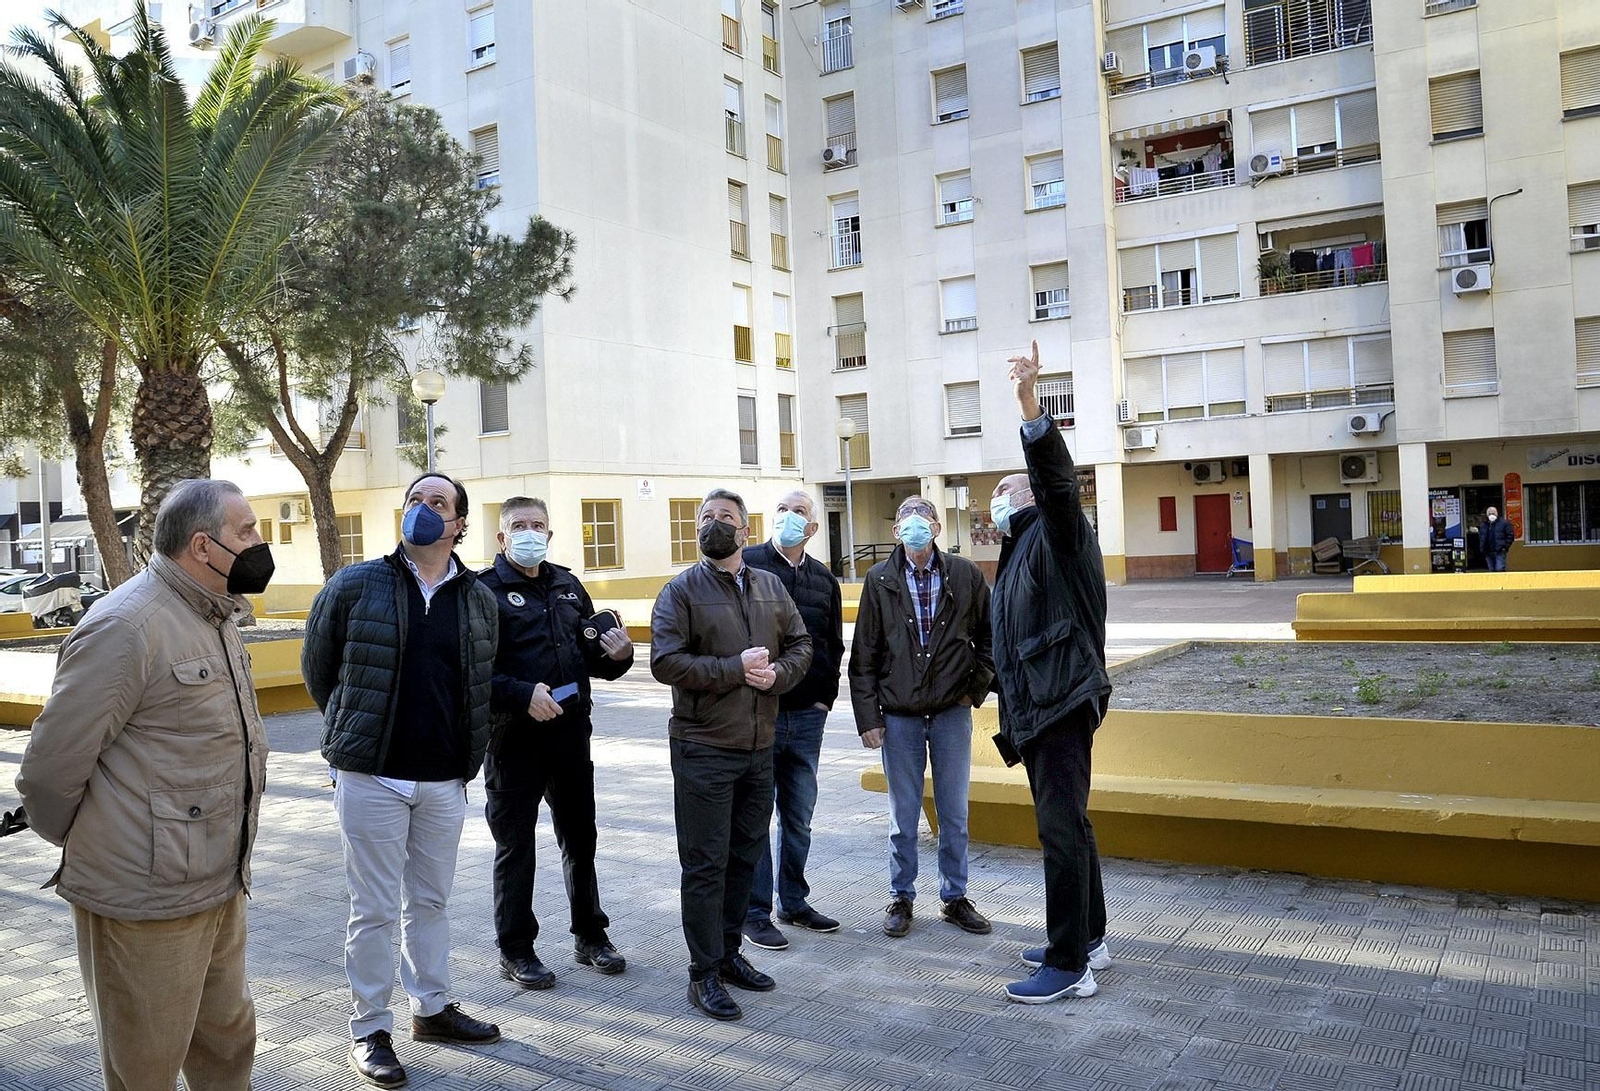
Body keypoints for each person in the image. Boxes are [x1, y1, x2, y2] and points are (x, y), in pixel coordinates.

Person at [17, 479, 272, 1091]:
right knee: (145, 1066)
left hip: (218, 881)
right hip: (143, 898)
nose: (259, 541)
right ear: (203, 546)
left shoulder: (215, 613)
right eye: (247, 531)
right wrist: (105, 845)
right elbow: (50, 769)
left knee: (227, 1044)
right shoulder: (127, 624)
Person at [303, 473, 501, 1088]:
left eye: (438, 502)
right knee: (374, 909)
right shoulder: (355, 583)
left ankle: (432, 1008)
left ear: (459, 524)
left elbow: (481, 682)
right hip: (373, 776)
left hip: (444, 779)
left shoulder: (478, 598)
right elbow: (318, 667)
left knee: (432, 902)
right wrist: (351, 733)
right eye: (415, 499)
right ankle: (370, 1029)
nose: (423, 508)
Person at [650, 489, 812, 1021]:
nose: (715, 524)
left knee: (744, 856)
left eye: (726, 517)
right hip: (703, 747)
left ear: (746, 531)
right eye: (706, 517)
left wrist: (778, 674)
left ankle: (728, 953)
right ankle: (703, 973)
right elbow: (666, 662)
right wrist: (734, 669)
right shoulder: (680, 591)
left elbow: (802, 645)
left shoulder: (770, 586)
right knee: (705, 864)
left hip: (759, 747)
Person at [989, 340, 1114, 1004]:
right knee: (1072, 823)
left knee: (1059, 831)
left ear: (1030, 494)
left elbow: (1059, 482)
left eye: (1002, 491)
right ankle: (1088, 936)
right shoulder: (1019, 553)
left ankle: (1068, 965)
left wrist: (1030, 407)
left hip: (1061, 701)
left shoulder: (1058, 530)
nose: (994, 501)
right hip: (1042, 706)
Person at [478, 496, 633, 989]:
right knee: (515, 847)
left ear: (549, 534)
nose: (529, 532)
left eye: (537, 525)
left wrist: (620, 656)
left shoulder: (568, 586)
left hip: (569, 736)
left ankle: (591, 936)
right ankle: (516, 950)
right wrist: (522, 695)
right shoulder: (483, 592)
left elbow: (593, 659)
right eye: (518, 525)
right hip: (513, 741)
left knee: (580, 839)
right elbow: (471, 672)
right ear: (502, 537)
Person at [849, 495, 994, 941]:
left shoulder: (965, 574)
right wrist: (868, 717)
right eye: (907, 519)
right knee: (903, 816)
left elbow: (991, 637)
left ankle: (955, 896)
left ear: (936, 527)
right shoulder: (879, 579)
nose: (916, 524)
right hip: (900, 717)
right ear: (896, 532)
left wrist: (973, 690)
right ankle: (901, 896)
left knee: (954, 813)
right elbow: (864, 654)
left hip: (951, 712)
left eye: (924, 517)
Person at [740, 490, 847, 951]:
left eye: (799, 511)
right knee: (756, 816)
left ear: (813, 528)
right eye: (782, 509)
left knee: (799, 816)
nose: (788, 517)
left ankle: (794, 901)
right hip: (759, 713)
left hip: (807, 717)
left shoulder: (823, 579)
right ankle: (755, 912)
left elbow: (832, 644)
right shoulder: (747, 565)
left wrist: (824, 699)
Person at [1479, 506, 1514, 572]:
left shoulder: (1504, 523)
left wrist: (1505, 546)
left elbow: (1510, 535)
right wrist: (1482, 548)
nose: (1491, 515)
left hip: (1500, 551)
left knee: (1499, 569)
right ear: (1487, 515)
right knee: (1491, 570)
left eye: (1493, 513)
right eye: (1489, 514)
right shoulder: (1484, 525)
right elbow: (1481, 537)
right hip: (1488, 551)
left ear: (1496, 513)